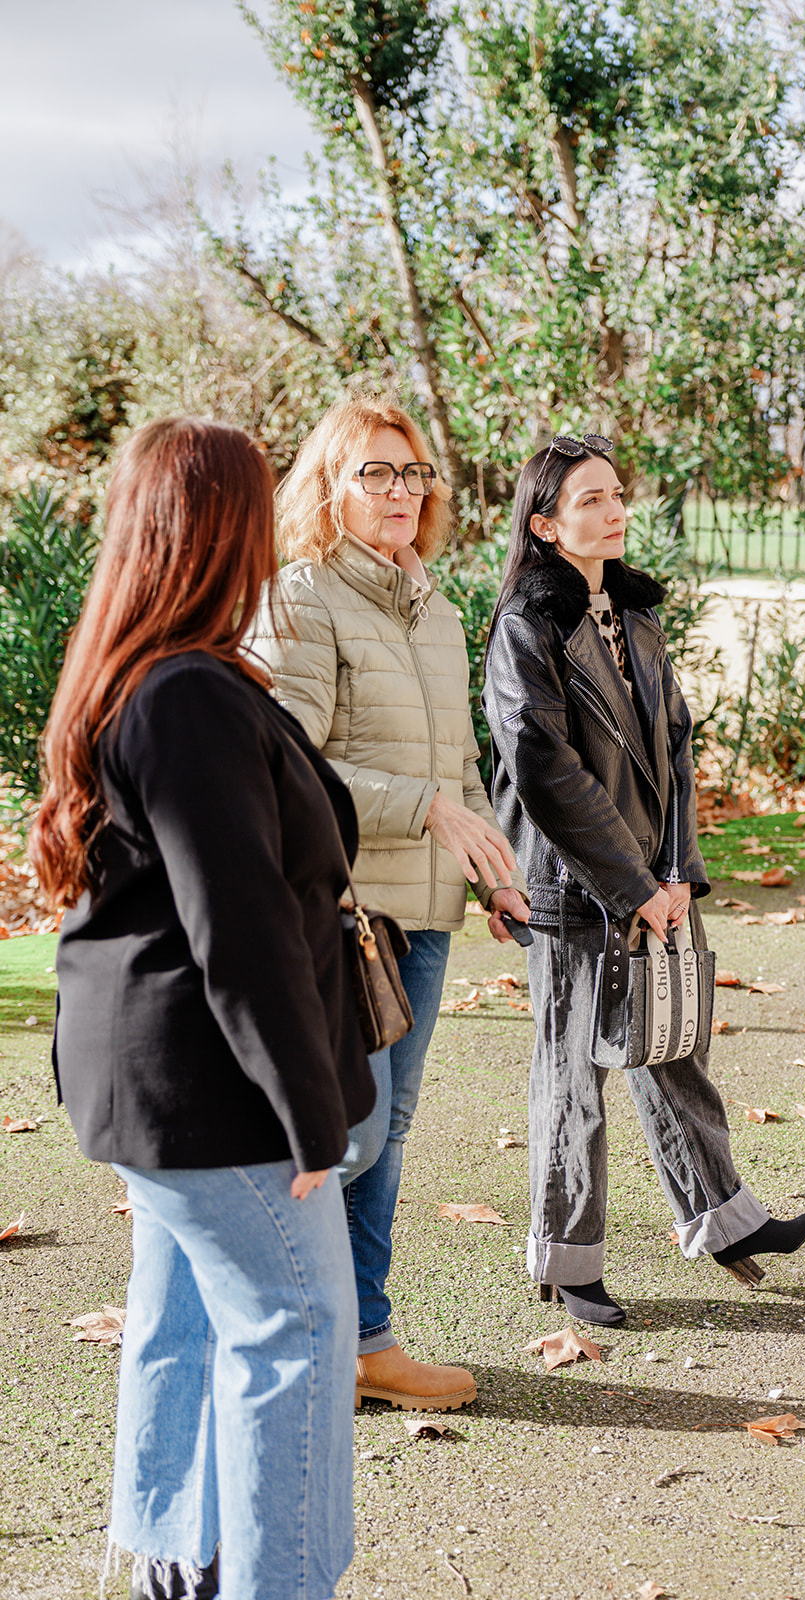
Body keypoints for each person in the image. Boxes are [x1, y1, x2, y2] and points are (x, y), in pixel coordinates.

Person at [29, 418, 375, 1600]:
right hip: (214, 1098)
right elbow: (241, 925)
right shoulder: (187, 695)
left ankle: (179, 1561)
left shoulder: (154, 677)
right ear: (219, 529)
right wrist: (308, 1114)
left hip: (159, 1092)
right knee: (300, 1334)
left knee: (185, 1319)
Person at [482, 432, 805, 1328]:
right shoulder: (526, 625)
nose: (614, 508)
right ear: (546, 524)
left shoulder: (635, 618)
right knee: (572, 1074)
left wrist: (677, 873)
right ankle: (567, 1261)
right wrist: (633, 884)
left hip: (653, 882)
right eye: (590, 498)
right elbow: (541, 767)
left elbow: (675, 747)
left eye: (617, 492)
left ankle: (724, 1223)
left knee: (673, 1044)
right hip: (575, 886)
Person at [248, 394, 528, 1412]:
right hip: (338, 911)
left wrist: (492, 867)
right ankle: (287, 1328)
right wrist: (426, 811)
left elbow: (455, 764)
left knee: (389, 1130)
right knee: (345, 1133)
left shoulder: (435, 607)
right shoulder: (301, 599)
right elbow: (285, 763)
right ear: (329, 486)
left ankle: (365, 1340)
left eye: (412, 473)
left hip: (423, 912)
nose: (401, 491)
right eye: (375, 472)